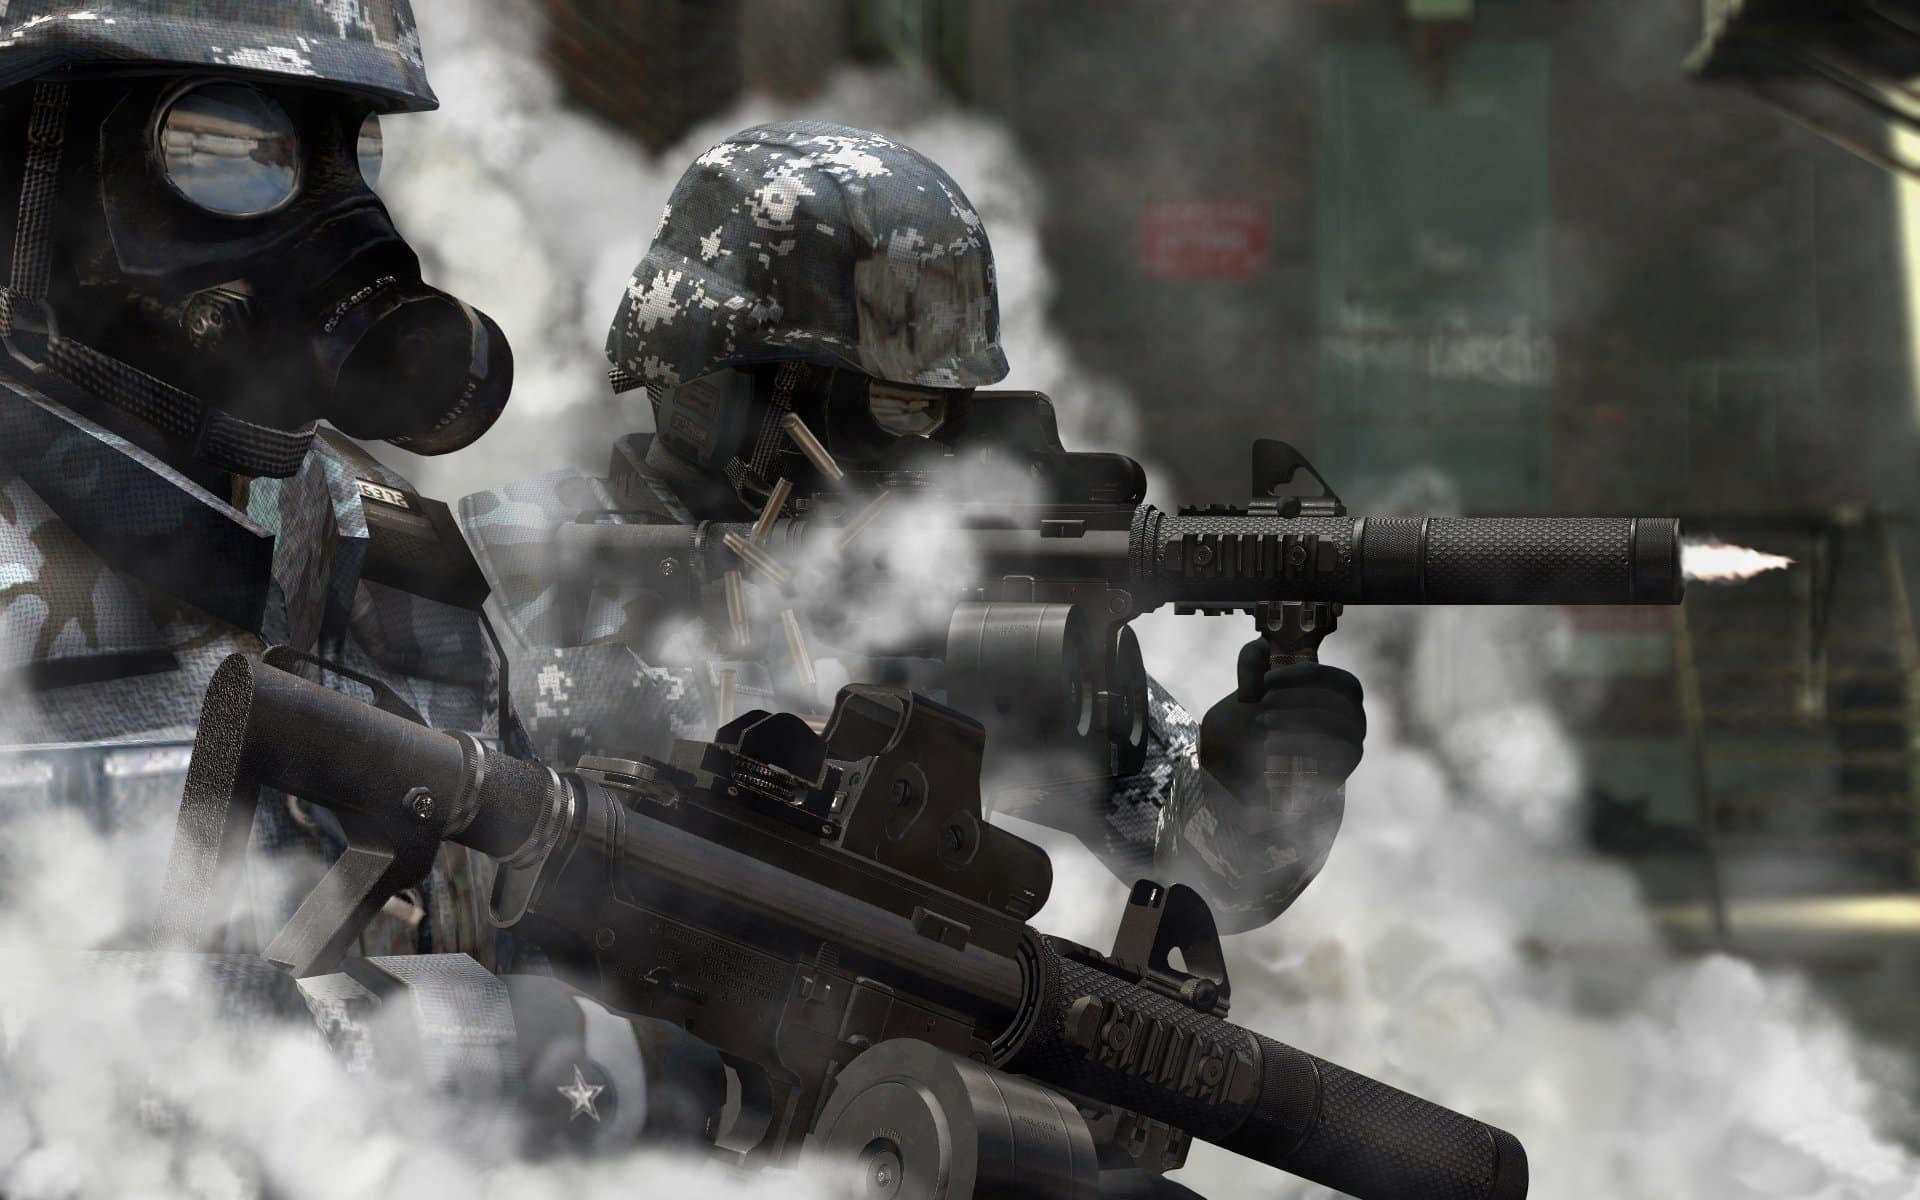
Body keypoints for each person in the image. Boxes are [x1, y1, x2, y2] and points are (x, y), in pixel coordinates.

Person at [461, 121, 1368, 932]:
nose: (935, 444)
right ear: (733, 391)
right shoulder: (510, 567)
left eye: (946, 405)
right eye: (900, 404)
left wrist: (1265, 778)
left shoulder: (947, 612)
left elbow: (1210, 874)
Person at [0, 0, 517, 963]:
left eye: (355, 149)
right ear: (25, 181)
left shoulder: (388, 551)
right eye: (227, 149)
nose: (347, 226)